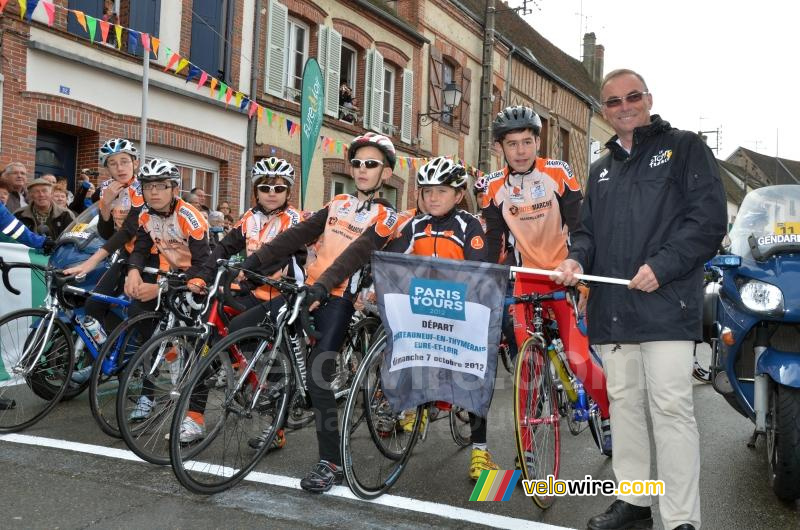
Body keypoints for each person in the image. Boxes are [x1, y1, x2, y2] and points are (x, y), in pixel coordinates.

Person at [553, 69, 727, 530]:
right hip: (613, 309)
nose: (623, 105)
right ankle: (633, 504)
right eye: (612, 101)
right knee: (624, 404)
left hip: (669, 305)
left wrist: (662, 267)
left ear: (648, 99)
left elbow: (708, 222)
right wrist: (574, 260)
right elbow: (587, 233)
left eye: (632, 96)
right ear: (604, 110)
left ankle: (680, 518)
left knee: (671, 409)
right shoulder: (601, 169)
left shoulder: (685, 147)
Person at [306, 156, 498, 481]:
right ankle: (414, 403)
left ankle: (480, 451)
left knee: (472, 373)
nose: (433, 197)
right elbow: (388, 260)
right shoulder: (414, 226)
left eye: (441, 190)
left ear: (458, 195)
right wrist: (368, 287)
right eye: (426, 191)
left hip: (459, 311)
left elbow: (479, 271)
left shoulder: (469, 226)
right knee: (404, 348)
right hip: (423, 312)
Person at [240, 132, 399, 493]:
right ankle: (280, 387)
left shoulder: (388, 217)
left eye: (371, 164)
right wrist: (247, 267)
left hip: (338, 298)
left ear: (385, 174)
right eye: (357, 163)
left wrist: (323, 287)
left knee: (318, 377)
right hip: (307, 291)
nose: (361, 170)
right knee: (241, 326)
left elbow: (355, 255)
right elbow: (293, 237)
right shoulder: (339, 203)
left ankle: (331, 462)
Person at [482, 105, 611, 452]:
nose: (520, 151)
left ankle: (611, 414)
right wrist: (482, 279)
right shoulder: (493, 187)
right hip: (527, 278)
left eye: (527, 142)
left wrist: (580, 273)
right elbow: (493, 243)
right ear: (500, 148)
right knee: (527, 369)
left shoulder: (558, 173)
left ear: (538, 142)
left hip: (565, 275)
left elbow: (583, 227)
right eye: (512, 144)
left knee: (579, 360)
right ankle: (527, 449)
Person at [123, 159, 211, 432]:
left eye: (161, 186)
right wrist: (133, 271)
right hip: (174, 277)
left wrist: (161, 288)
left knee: (199, 350)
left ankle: (195, 417)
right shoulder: (147, 216)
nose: (154, 192)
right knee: (153, 335)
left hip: (201, 278)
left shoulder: (190, 216)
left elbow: (203, 264)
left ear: (174, 189)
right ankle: (149, 395)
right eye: (148, 186)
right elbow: (140, 248)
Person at [63, 139, 145, 384]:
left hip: (147, 255)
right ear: (106, 168)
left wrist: (92, 261)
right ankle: (102, 361)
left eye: (124, 161)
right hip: (123, 254)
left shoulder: (145, 189)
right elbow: (107, 232)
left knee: (137, 313)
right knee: (94, 307)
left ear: (135, 163)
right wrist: (106, 204)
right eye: (112, 163)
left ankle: (140, 367)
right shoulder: (108, 188)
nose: (119, 167)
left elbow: (128, 231)